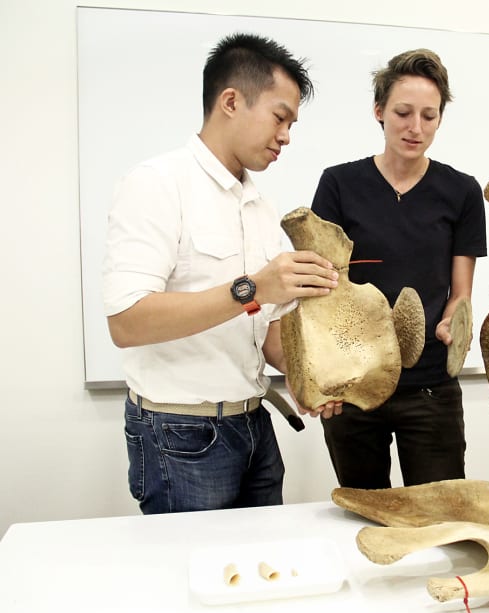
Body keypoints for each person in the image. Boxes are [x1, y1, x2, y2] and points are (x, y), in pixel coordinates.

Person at [102, 33, 341, 514]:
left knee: (258, 574)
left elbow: (266, 328)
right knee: (191, 577)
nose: (287, 136)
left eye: (292, 123)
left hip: (254, 424)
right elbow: (126, 322)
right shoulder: (157, 184)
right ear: (230, 101)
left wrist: (306, 377)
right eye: (280, 117)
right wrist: (253, 287)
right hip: (180, 433)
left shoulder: (259, 204)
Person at [310, 49, 487, 489]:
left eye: (429, 116)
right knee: (365, 512)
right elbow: (322, 292)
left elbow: (460, 293)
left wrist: (453, 322)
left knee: (439, 514)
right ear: (379, 111)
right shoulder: (339, 184)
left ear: (440, 118)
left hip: (429, 386)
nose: (416, 127)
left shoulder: (461, 191)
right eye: (403, 112)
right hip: (354, 383)